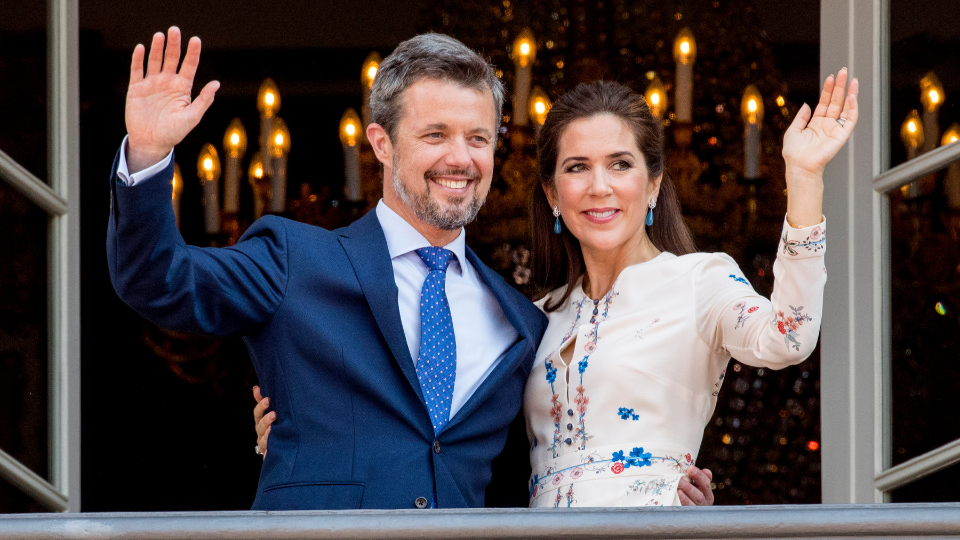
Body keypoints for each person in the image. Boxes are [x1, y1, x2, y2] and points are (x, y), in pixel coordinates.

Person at [107, 26, 718, 509]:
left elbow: (529, 483)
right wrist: (149, 154)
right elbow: (158, 281)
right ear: (381, 143)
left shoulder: (521, 322)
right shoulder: (295, 259)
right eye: (435, 135)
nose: (461, 158)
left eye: (479, 138)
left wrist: (662, 497)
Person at [521, 76, 856, 507]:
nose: (599, 186)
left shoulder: (699, 280)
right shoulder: (537, 315)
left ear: (654, 184)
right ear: (552, 193)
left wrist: (804, 178)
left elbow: (789, 337)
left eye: (620, 164)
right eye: (577, 167)